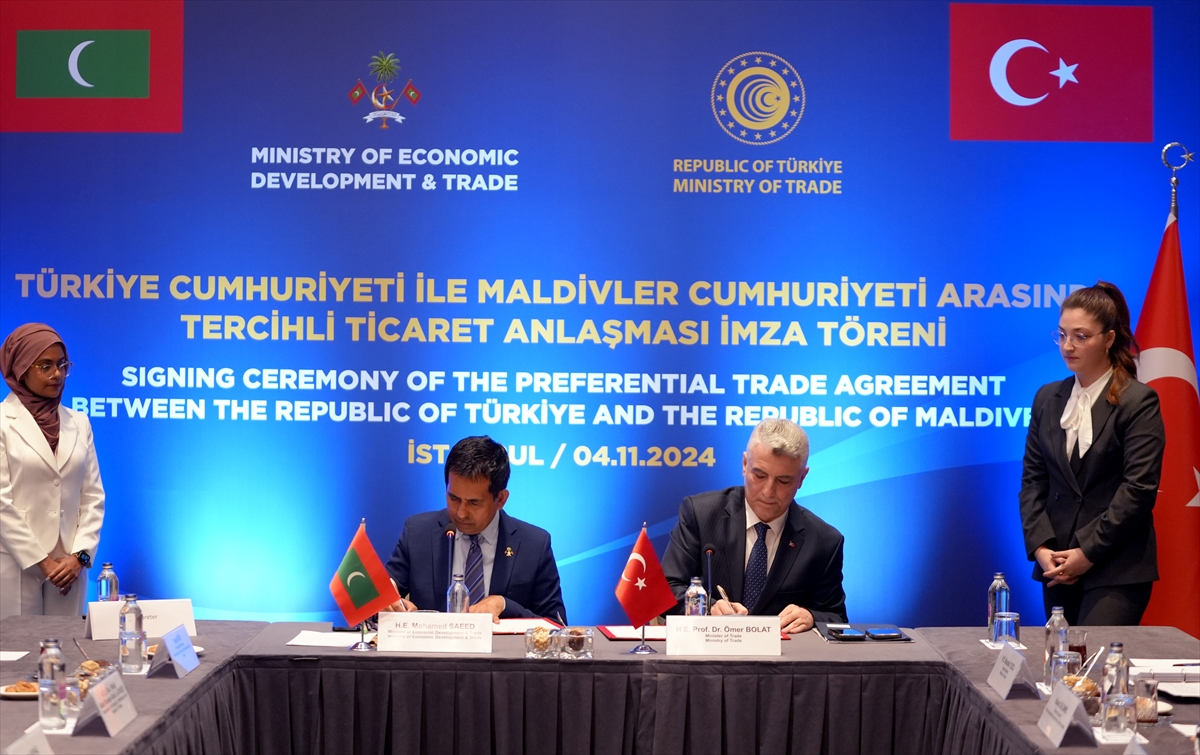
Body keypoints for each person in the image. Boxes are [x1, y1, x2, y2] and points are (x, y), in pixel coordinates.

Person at [1019, 281, 1164, 625]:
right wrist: (1041, 548)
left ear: (1109, 338)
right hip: (1058, 563)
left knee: (1096, 659)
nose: (1068, 346)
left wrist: (1087, 552)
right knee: (1061, 658)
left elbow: (1138, 490)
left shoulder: (1138, 401)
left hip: (1117, 565)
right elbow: (1033, 482)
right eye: (1062, 335)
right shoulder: (1047, 397)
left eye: (1081, 336)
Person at [661, 418, 847, 633]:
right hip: (709, 650)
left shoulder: (824, 541)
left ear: (802, 478)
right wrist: (708, 608)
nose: (768, 491)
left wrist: (811, 616)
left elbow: (836, 618)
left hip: (785, 653)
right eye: (759, 475)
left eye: (783, 481)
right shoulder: (701, 515)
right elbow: (666, 591)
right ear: (744, 464)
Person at [384, 435, 567, 623]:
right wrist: (390, 603)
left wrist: (504, 604)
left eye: (474, 502)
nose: (461, 513)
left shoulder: (534, 545)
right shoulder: (418, 533)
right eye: (454, 498)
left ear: (501, 499)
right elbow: (381, 595)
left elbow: (556, 625)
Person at [0, 323, 105, 618]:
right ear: (21, 369)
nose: (57, 374)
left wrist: (80, 557)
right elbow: (1, 503)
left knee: (68, 645)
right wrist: (41, 561)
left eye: (62, 365)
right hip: (15, 565)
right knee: (19, 646)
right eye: (45, 366)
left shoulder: (79, 422)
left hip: (69, 568)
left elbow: (93, 497)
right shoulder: (2, 422)